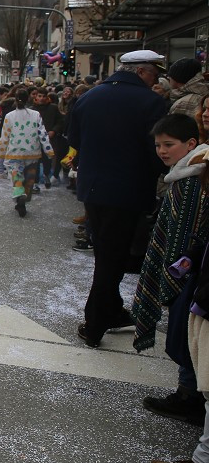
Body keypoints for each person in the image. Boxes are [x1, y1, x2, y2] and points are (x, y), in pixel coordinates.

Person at [68, 49, 170, 347]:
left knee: (106, 253)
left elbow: (74, 140)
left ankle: (111, 312)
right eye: (154, 73)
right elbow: (155, 151)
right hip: (127, 191)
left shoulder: (89, 96)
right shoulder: (151, 101)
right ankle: (96, 322)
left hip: (93, 189)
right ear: (140, 71)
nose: (156, 79)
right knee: (112, 258)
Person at [131, 114, 209, 426]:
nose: (162, 151)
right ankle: (188, 390)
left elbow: (190, 228)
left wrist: (180, 264)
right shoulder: (181, 174)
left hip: (191, 271)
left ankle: (189, 394)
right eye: (158, 145)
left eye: (169, 145)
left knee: (185, 332)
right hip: (189, 267)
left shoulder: (192, 179)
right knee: (184, 330)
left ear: (190, 144)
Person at [0, 89, 54, 217]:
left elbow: (5, 136)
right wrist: (49, 150)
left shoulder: (10, 116)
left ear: (15, 100)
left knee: (16, 175)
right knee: (30, 177)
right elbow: (42, 134)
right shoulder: (36, 114)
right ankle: (24, 199)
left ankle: (18, 192)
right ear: (28, 99)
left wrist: (0, 152)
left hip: (15, 152)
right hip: (32, 152)